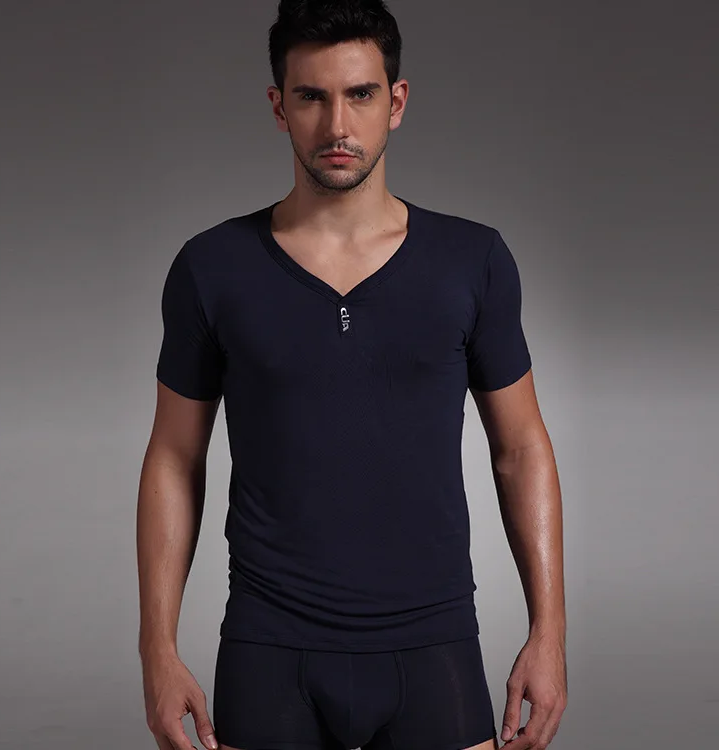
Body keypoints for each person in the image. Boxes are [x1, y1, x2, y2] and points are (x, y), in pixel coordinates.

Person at [137, 2, 568, 749]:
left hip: (433, 638)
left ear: (395, 102)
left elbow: (522, 448)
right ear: (279, 106)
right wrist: (157, 649)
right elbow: (174, 458)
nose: (337, 125)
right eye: (311, 96)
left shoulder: (473, 261)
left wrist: (549, 633)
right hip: (270, 643)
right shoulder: (213, 267)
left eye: (360, 94)